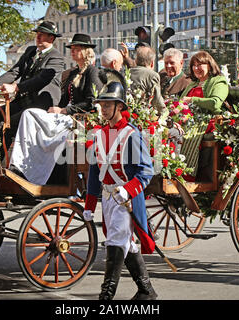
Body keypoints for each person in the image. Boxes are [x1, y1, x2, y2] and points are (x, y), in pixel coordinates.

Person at [83, 79, 157, 300]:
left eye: (108, 104)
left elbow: (146, 171)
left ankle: (106, 295)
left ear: (120, 107)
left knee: (116, 241)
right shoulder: (98, 135)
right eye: (101, 105)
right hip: (107, 197)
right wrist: (89, 204)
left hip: (126, 198)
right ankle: (146, 290)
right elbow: (95, 172)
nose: (103, 109)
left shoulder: (131, 134)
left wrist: (128, 190)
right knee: (124, 242)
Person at [9, 34, 103, 185]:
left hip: (80, 119)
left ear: (86, 51)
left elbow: (91, 103)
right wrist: (55, 108)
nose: (72, 52)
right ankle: (21, 164)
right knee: (29, 114)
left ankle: (35, 170)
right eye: (71, 49)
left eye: (76, 49)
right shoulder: (73, 73)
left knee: (32, 116)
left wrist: (64, 111)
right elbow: (63, 99)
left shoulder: (92, 72)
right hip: (68, 116)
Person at [0, 21, 65, 152]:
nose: (37, 37)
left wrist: (16, 87)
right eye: (37, 34)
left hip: (41, 104)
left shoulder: (56, 57)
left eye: (42, 34)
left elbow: (42, 79)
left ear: (51, 38)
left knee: (8, 126)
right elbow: (15, 71)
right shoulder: (31, 51)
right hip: (23, 102)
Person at [180, 50, 229, 131]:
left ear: (209, 65)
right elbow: (181, 101)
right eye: (194, 65)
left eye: (199, 65)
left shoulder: (219, 81)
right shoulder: (193, 83)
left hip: (207, 123)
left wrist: (192, 100)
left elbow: (215, 103)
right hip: (188, 122)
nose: (196, 68)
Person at [129, 46, 165, 112]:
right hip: (142, 115)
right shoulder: (152, 75)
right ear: (152, 63)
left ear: (136, 61)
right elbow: (157, 101)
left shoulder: (128, 73)